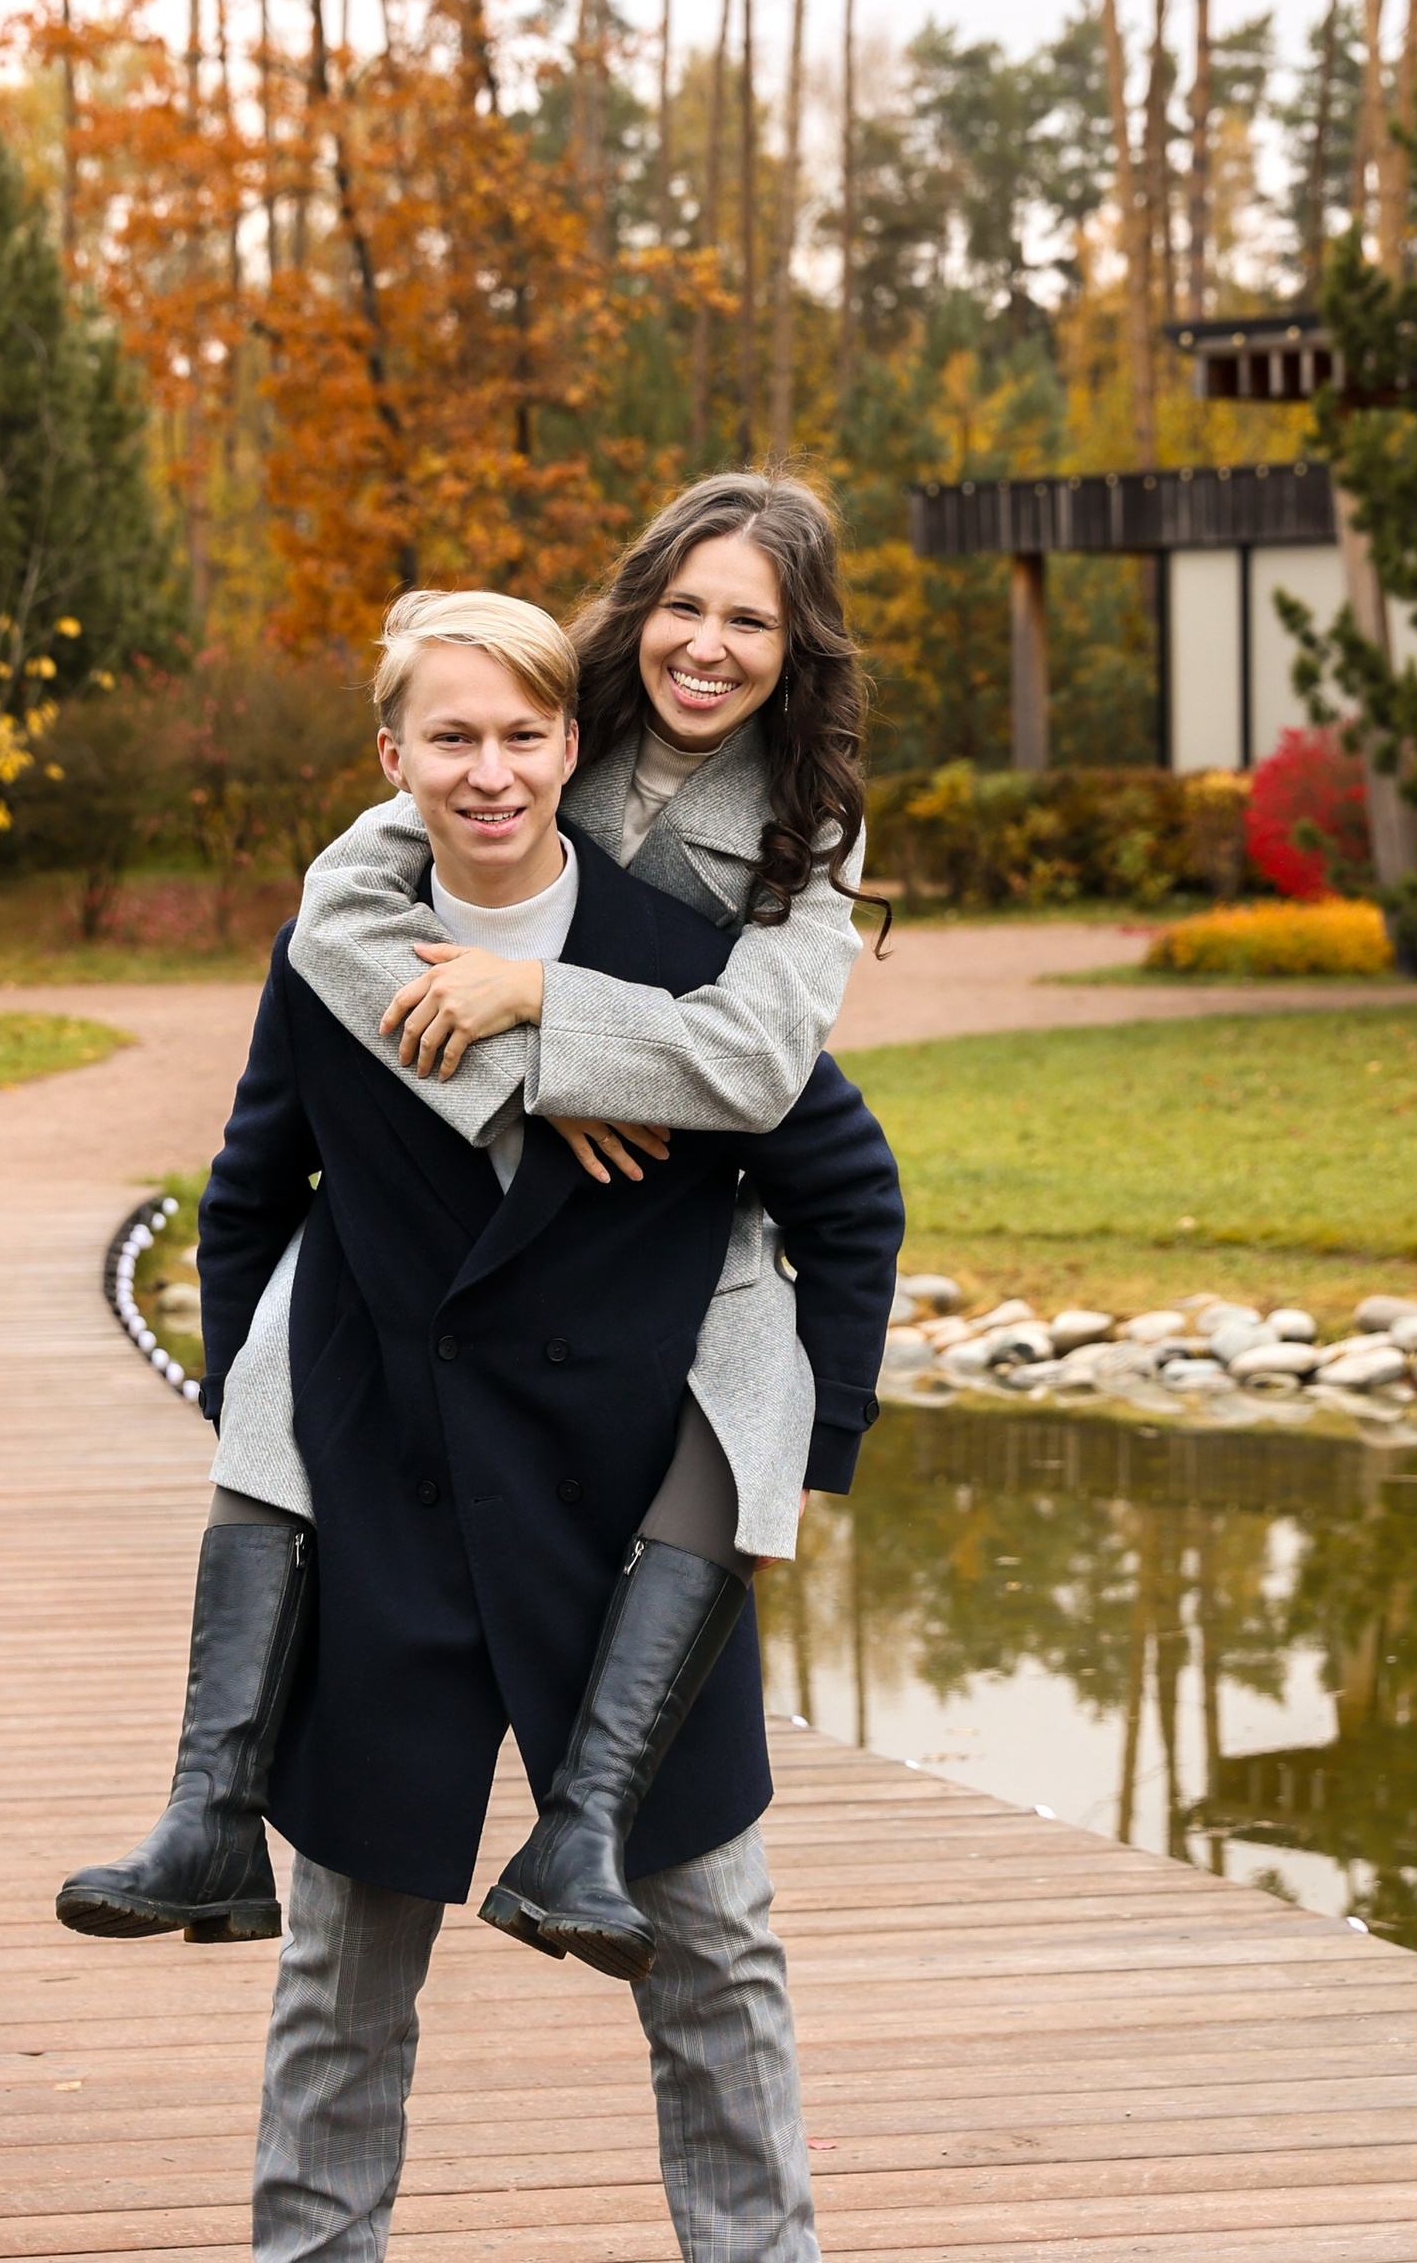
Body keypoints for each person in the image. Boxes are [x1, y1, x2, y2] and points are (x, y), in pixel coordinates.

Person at [59, 587, 902, 2263]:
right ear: (394, 758)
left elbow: (849, 1189)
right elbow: (250, 1186)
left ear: (573, 748)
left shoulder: (682, 961)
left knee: (712, 1934)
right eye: (452, 738)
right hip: (400, 1502)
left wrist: (784, 1445)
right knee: (347, 1938)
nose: (494, 768)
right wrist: (268, 1415)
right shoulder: (345, 939)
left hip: (623, 1510)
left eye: (525, 736)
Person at [57, 474, 879, 1974]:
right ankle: (210, 1805)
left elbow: (768, 1076)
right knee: (307, 1318)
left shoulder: (801, 829)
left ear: (796, 645)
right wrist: (528, 1068)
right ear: (631, 621)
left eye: (749, 619)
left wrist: (545, 1004)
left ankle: (583, 1838)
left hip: (659, 1252)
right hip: (456, 1258)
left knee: (717, 1939)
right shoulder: (530, 714)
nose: (706, 645)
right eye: (683, 606)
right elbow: (338, 914)